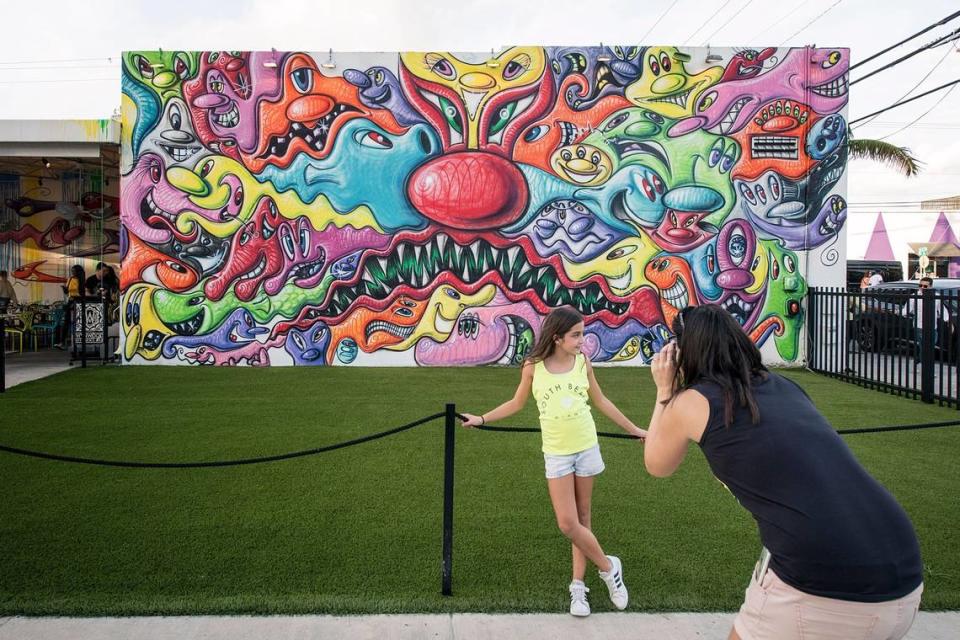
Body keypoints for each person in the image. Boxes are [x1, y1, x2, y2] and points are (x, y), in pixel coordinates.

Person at [644, 305, 923, 640]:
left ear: (682, 352)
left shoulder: (693, 401)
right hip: (904, 572)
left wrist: (664, 390)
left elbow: (657, 464)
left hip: (822, 580)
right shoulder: (787, 386)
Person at [460, 306, 647, 617]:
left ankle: (578, 590)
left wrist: (637, 429)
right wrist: (482, 418)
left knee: (583, 520)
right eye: (576, 335)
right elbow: (517, 402)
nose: (582, 341)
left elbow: (601, 401)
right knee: (567, 524)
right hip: (557, 453)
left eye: (582, 334)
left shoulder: (583, 363)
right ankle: (609, 566)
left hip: (586, 446)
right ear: (558, 338)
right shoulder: (534, 366)